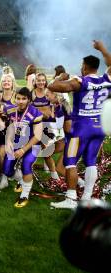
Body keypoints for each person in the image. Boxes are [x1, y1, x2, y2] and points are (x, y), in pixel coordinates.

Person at [48, 41, 111, 209]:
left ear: (84, 67)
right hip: (100, 127)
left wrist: (60, 77)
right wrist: (103, 49)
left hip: (81, 127)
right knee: (91, 161)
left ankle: (71, 198)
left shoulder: (80, 81)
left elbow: (52, 86)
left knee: (70, 162)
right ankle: (87, 197)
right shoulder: (107, 79)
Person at [0, 87, 43, 208]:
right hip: (16, 144)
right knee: (7, 170)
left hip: (32, 145)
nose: (20, 101)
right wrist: (8, 141)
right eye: (18, 98)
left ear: (28, 100)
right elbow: (11, 128)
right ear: (14, 98)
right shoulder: (12, 110)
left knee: (26, 164)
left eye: (24, 99)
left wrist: (23, 149)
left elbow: (38, 136)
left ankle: (25, 195)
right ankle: (23, 181)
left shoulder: (35, 113)